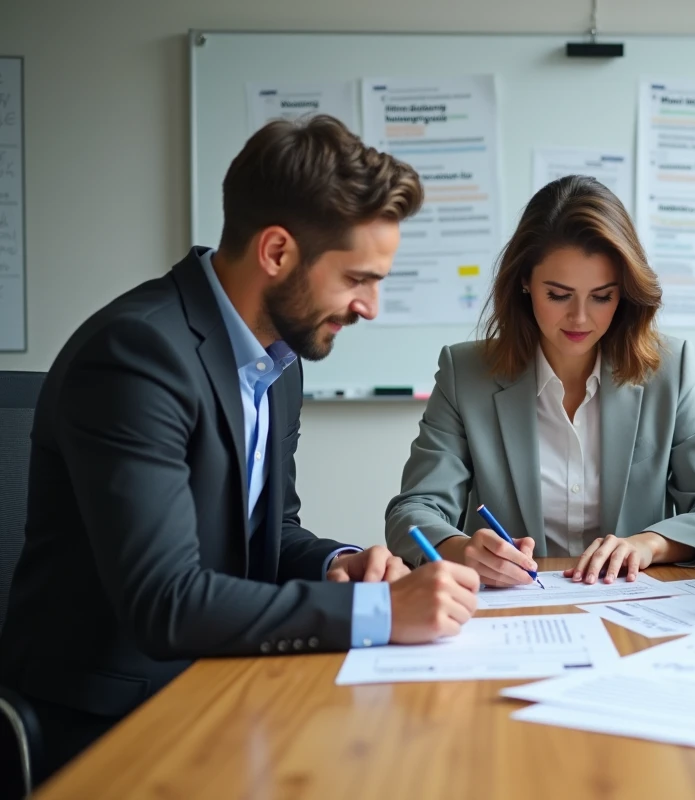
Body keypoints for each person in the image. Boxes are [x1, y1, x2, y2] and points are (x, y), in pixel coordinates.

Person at [0, 115, 480, 777]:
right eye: (357, 279)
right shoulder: (136, 356)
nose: (370, 306)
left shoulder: (277, 359)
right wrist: (377, 611)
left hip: (223, 684)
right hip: (111, 723)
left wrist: (341, 564)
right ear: (277, 252)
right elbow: (166, 603)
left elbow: (269, 535)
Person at [386, 175, 695, 585]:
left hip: (631, 602)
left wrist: (649, 544)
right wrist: (461, 550)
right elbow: (412, 512)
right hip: (513, 604)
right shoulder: (467, 373)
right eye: (558, 295)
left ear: (624, 292)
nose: (580, 318)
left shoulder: (668, 369)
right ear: (524, 281)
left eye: (602, 296)